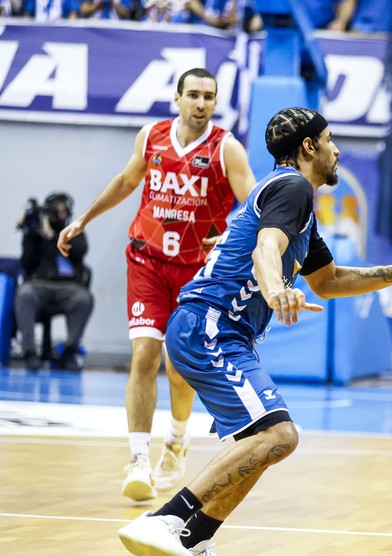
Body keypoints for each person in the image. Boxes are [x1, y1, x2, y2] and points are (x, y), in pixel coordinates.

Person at [115, 107, 392, 556]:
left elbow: (329, 282)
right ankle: (166, 519)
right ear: (309, 146)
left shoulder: (299, 208)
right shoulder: (292, 187)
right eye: (330, 140)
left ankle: (193, 544)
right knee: (280, 435)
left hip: (221, 332)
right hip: (210, 324)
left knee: (260, 444)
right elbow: (265, 248)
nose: (337, 150)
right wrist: (274, 289)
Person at [57, 68, 257, 503]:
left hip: (196, 271)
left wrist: (228, 236)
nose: (201, 103)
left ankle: (177, 439)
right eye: (194, 95)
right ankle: (137, 461)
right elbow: (127, 181)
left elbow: (256, 206)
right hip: (146, 259)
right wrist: (84, 218)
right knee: (144, 354)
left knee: (178, 365)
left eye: (209, 96)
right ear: (177, 98)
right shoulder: (151, 137)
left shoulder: (226, 148)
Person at [15, 193, 93, 372]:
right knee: (24, 294)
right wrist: (30, 234)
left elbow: (78, 253)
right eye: (56, 210)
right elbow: (26, 263)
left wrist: (51, 236)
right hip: (39, 285)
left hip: (68, 287)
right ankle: (29, 353)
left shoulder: (74, 231)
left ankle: (69, 351)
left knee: (83, 298)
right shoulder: (35, 234)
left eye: (63, 210)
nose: (60, 214)